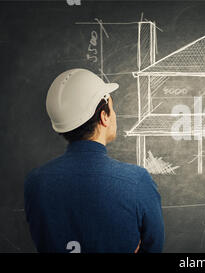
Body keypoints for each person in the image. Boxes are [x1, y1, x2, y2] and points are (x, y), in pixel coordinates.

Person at [24, 69, 164, 253]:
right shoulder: (136, 181)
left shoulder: (35, 182)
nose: (114, 115)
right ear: (104, 117)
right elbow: (154, 246)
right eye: (112, 109)